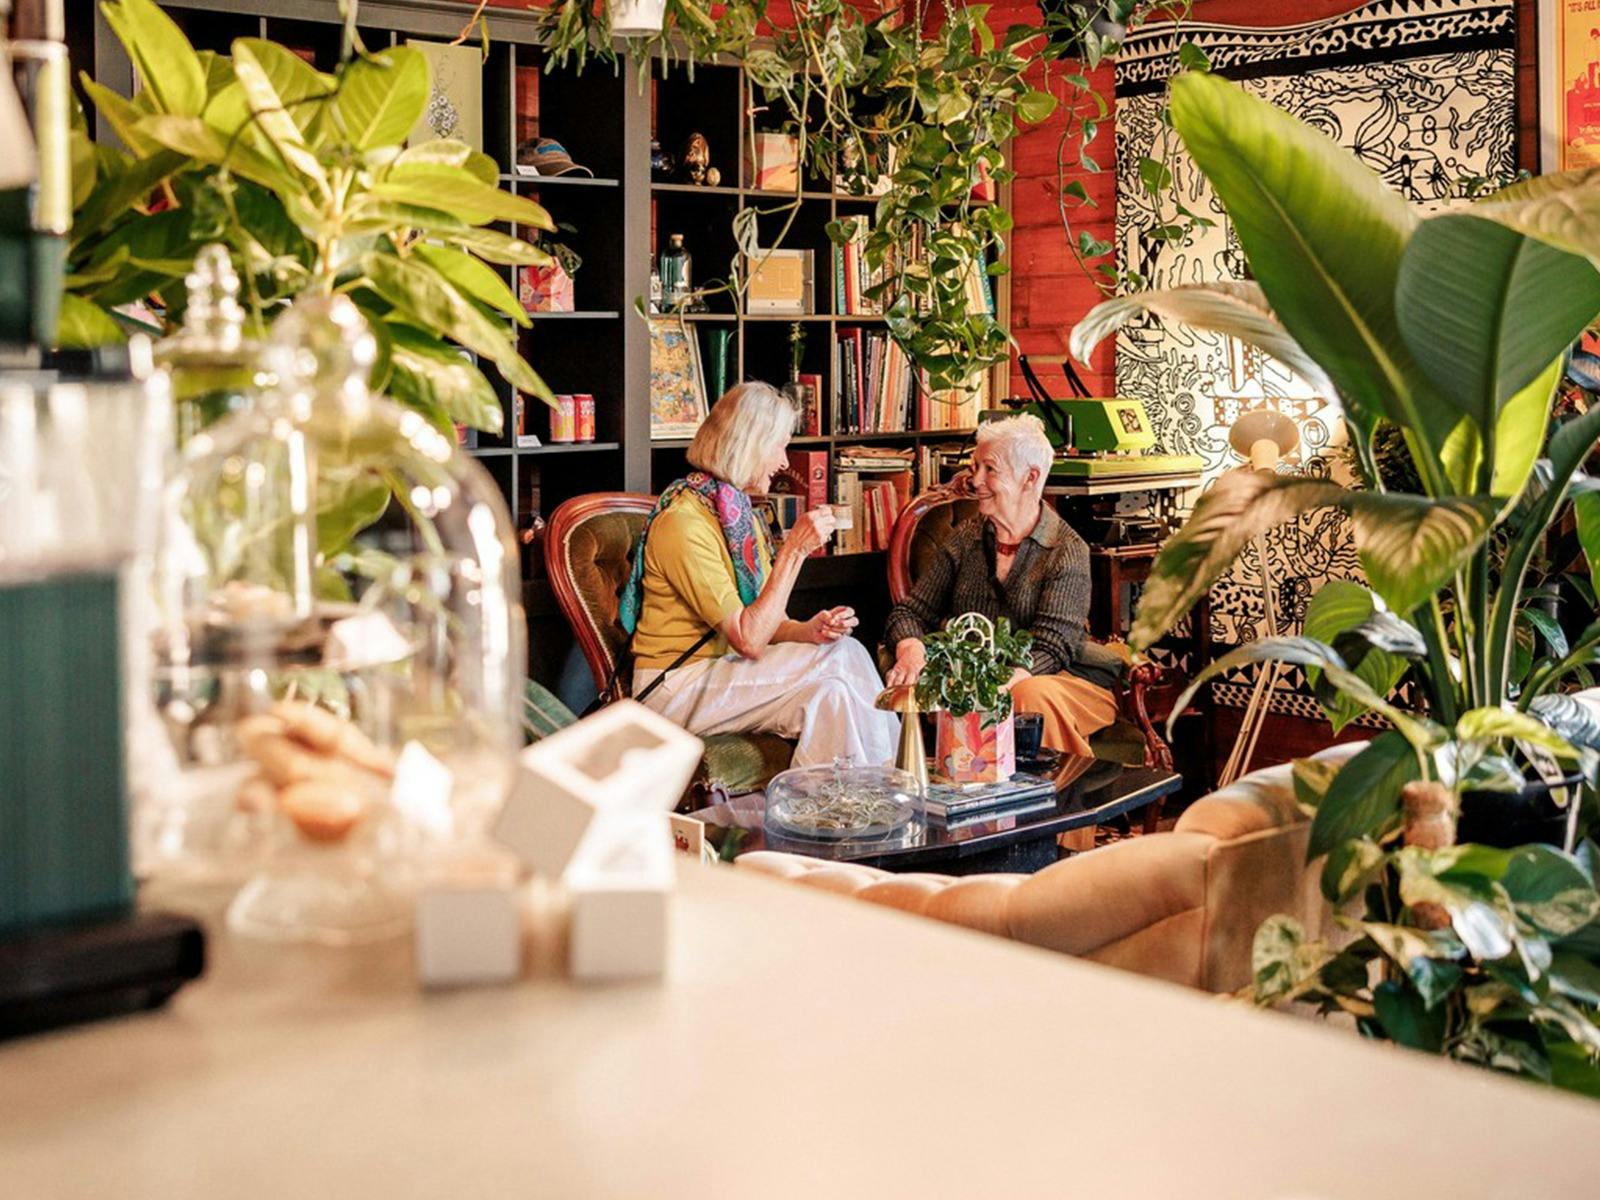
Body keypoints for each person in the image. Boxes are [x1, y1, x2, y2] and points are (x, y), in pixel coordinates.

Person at [620, 382, 899, 768]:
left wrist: (807, 631)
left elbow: (768, 624)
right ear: (749, 444)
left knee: (831, 693)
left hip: (724, 674)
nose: (785, 462)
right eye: (779, 446)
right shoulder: (683, 523)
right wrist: (796, 549)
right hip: (674, 688)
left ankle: (830, 817)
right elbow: (749, 638)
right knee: (842, 658)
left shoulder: (735, 514)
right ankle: (896, 783)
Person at [883, 414, 1120, 759]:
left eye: (990, 469)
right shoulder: (965, 540)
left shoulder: (1066, 550)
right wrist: (910, 649)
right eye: (975, 466)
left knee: (1028, 697)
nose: (975, 480)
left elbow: (1052, 649)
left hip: (1067, 681)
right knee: (1016, 696)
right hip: (981, 681)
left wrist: (989, 688)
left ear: (1030, 477)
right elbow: (911, 612)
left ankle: (1058, 806)